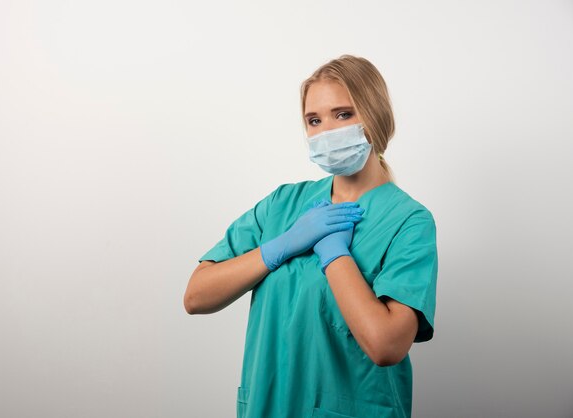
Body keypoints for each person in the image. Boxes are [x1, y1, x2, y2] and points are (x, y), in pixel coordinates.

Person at [184, 54, 438, 418]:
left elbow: (386, 345)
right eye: (314, 120)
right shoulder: (282, 205)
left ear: (375, 116)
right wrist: (279, 247)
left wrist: (335, 254)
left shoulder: (408, 221)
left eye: (344, 114)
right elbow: (195, 296)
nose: (327, 131)